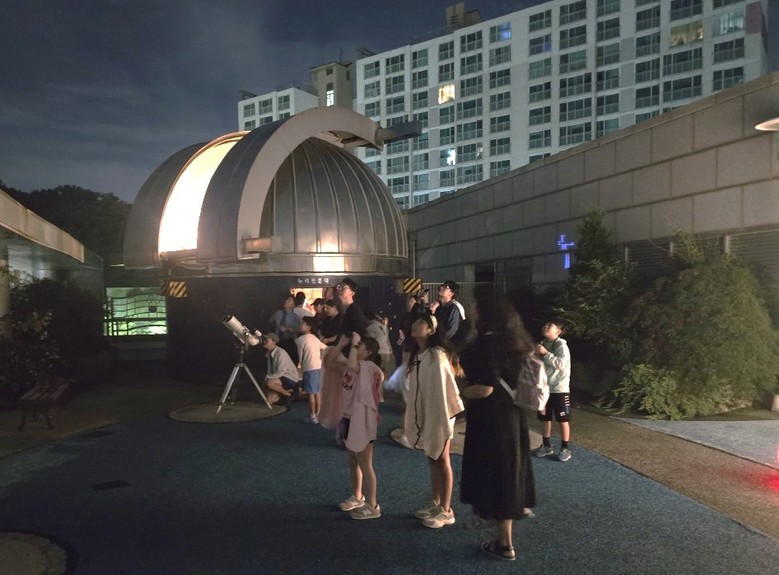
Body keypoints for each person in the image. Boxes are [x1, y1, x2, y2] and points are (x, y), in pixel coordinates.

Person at [459, 290, 537, 561]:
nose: (471, 310)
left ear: (485, 314)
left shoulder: (485, 345)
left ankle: (504, 543)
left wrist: (461, 393)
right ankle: (503, 536)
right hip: (513, 418)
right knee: (508, 474)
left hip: (490, 422)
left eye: (475, 306)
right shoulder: (516, 343)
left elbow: (485, 388)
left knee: (495, 477)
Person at [404, 314, 464, 529]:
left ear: (431, 330)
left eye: (421, 323)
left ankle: (446, 510)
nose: (415, 326)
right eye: (414, 322)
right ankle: (436, 503)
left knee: (442, 458)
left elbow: (445, 388)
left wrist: (443, 414)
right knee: (432, 457)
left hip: (440, 414)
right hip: (428, 412)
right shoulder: (418, 355)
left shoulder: (437, 354)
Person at [327, 333, 384, 520]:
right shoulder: (355, 365)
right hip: (349, 417)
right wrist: (341, 344)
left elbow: (352, 365)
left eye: (360, 346)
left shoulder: (369, 367)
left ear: (368, 352)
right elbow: (330, 362)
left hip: (363, 419)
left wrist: (352, 344)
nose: (356, 347)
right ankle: (357, 496)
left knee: (365, 463)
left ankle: (373, 505)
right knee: (353, 460)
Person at [531, 318, 573, 462]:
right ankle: (546, 445)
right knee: (544, 418)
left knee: (563, 419)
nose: (545, 326)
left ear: (558, 331)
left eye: (549, 325)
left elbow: (561, 364)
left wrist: (545, 353)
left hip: (559, 388)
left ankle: (565, 448)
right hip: (544, 388)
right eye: (545, 324)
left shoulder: (561, 345)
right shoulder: (541, 344)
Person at [295, 316, 328, 424]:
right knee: (317, 392)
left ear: (308, 327)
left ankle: (313, 416)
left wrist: (299, 369)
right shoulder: (314, 338)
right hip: (319, 367)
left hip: (309, 368)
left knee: (310, 393)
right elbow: (325, 348)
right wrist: (321, 358)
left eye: (302, 323)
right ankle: (318, 415)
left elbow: (300, 356)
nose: (300, 325)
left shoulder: (300, 340)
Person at [261, 333, 301, 405]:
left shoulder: (280, 353)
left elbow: (281, 371)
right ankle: (283, 394)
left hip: (289, 378)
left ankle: (287, 394)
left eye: (267, 340)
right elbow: (270, 371)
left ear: (274, 342)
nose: (264, 342)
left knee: (269, 382)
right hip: (280, 378)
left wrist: (268, 378)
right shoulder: (268, 354)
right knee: (269, 400)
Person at [430, 280, 468, 351]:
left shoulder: (453, 308)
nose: (441, 287)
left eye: (446, 287)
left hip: (450, 346)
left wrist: (440, 342)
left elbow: (451, 330)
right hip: (440, 344)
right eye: (442, 285)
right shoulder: (439, 307)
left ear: (451, 293)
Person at [268, 295, 302, 364]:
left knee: (289, 362)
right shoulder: (278, 313)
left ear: (293, 304)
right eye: (286, 299)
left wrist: (288, 329)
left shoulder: (296, 317)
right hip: (277, 341)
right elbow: (270, 323)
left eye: (289, 300)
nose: (286, 301)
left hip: (289, 343)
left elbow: (298, 330)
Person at [365, 311, 396, 381]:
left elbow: (370, 342)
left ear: (367, 318)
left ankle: (378, 386)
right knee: (385, 372)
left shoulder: (370, 328)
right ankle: (385, 385)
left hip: (378, 353)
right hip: (386, 352)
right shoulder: (382, 326)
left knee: (377, 372)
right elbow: (387, 339)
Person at [337, 277, 368, 342]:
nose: (340, 289)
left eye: (344, 287)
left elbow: (362, 333)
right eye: (339, 287)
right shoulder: (343, 310)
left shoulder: (354, 310)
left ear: (352, 293)